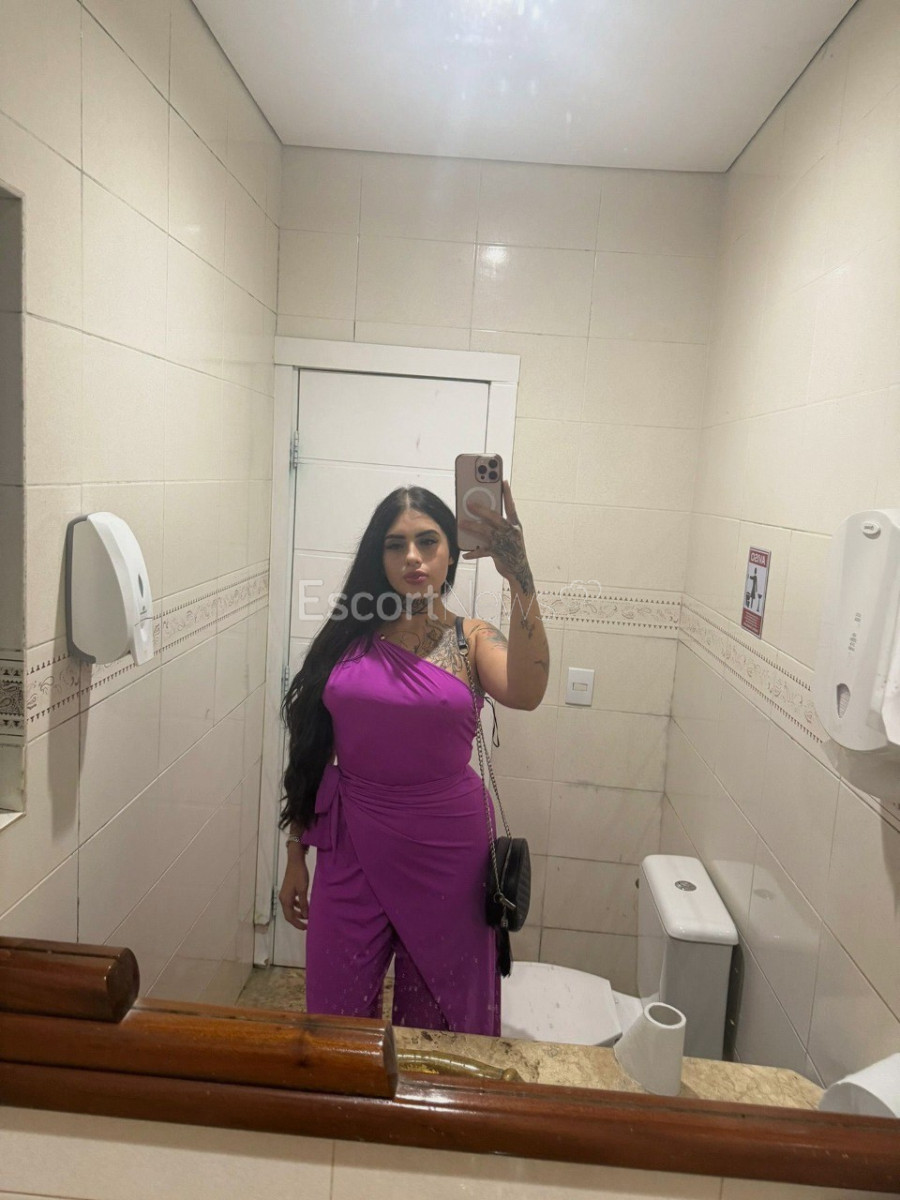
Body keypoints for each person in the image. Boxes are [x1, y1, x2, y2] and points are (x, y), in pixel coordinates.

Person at [278, 480, 549, 1035]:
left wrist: (519, 577)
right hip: (351, 845)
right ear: (377, 557)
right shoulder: (347, 635)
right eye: (395, 544)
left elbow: (526, 691)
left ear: (451, 550)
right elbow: (311, 748)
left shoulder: (471, 638)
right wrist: (295, 850)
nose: (413, 557)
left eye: (428, 541)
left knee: (441, 1020)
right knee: (335, 1013)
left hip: (448, 850)